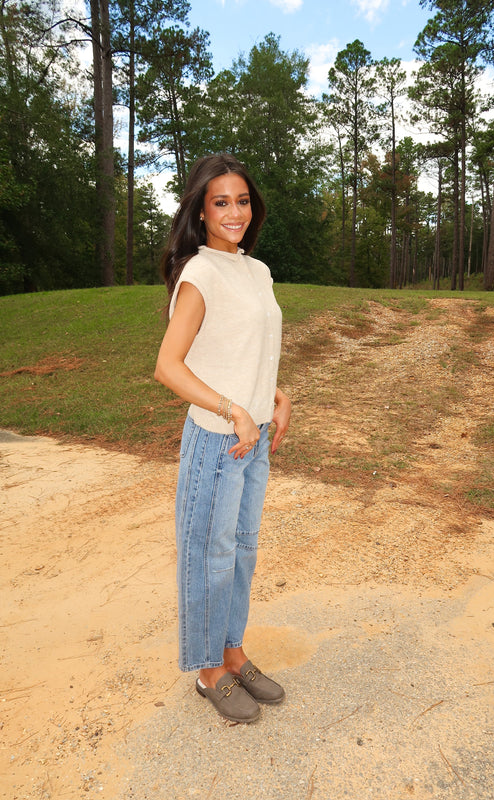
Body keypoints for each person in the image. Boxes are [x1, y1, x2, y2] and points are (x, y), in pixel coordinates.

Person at [154, 154, 291, 723]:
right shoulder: (201, 272)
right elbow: (169, 365)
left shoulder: (255, 270)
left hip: (253, 437)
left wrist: (274, 397)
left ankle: (232, 652)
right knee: (209, 555)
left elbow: (247, 349)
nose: (235, 212)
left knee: (241, 550)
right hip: (218, 440)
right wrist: (233, 409)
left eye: (242, 201)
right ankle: (209, 671)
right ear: (201, 211)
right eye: (220, 202)